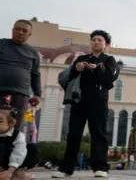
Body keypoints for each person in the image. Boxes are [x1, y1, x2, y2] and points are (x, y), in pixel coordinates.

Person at [52, 30, 119, 178]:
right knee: (73, 133)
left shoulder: (109, 60)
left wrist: (97, 69)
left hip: (98, 102)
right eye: (93, 40)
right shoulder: (81, 58)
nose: (96, 42)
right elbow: (69, 78)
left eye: (99, 40)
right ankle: (66, 168)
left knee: (98, 133)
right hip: (79, 101)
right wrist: (76, 68)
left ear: (106, 45)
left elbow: (109, 79)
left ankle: (100, 167)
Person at [0, 19, 41, 130]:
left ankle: (12, 146)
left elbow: (35, 74)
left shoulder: (33, 53)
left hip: (20, 94)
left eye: (24, 30)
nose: (21, 32)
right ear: (12, 30)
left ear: (29, 34)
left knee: (16, 127)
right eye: (17, 29)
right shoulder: (1, 44)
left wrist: (37, 94)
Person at [0, 96, 38, 180]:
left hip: (13, 163)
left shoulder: (18, 135)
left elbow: (19, 152)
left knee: (31, 148)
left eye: (0, 121)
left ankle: (18, 172)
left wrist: (10, 171)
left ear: (11, 123)